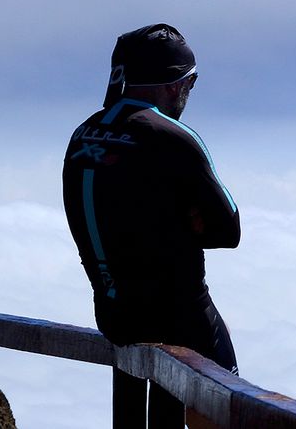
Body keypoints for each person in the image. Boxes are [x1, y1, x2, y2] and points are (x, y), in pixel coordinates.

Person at [62, 23, 241, 375]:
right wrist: (188, 221)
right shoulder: (172, 137)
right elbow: (228, 231)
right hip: (178, 316)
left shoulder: (82, 135)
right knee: (226, 400)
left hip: (114, 316)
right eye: (191, 82)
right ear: (175, 84)